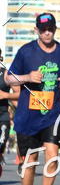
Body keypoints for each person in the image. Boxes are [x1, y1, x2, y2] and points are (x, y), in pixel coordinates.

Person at [6, 13, 60, 185]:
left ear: (55, 29)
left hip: (52, 114)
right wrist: (28, 77)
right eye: (43, 29)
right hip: (28, 115)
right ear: (37, 30)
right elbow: (9, 78)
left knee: (53, 156)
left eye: (50, 28)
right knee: (30, 161)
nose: (47, 32)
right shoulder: (26, 51)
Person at [0, 47, 19, 176]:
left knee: (1, 145)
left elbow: (20, 94)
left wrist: (5, 95)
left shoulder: (6, 74)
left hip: (2, 116)